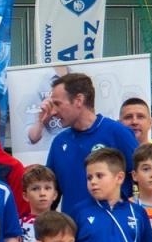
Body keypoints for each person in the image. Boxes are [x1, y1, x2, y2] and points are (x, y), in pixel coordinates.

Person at [44, 72, 138, 212]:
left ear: (79, 100)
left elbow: (141, 176)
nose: (53, 112)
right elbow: (50, 193)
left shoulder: (118, 133)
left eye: (57, 104)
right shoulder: (59, 142)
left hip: (112, 229)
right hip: (72, 231)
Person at [18, 165, 60, 242]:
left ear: (55, 195)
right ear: (25, 196)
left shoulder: (63, 224)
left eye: (47, 188)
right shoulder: (18, 225)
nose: (42, 193)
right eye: (35, 188)